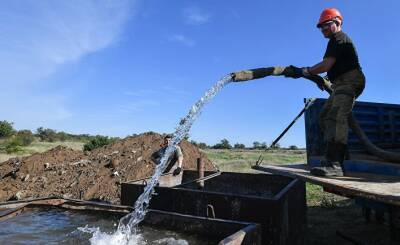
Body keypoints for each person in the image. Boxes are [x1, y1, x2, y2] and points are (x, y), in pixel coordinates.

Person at [231, 8, 365, 177]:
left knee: (336, 114)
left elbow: (326, 65)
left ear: (338, 22)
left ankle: (335, 164)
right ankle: (335, 156)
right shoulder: (335, 41)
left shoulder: (339, 38)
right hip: (340, 82)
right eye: (320, 27)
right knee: (325, 117)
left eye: (326, 25)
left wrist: (306, 71)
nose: (323, 29)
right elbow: (331, 68)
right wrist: (320, 79)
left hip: (350, 80)